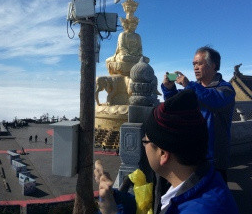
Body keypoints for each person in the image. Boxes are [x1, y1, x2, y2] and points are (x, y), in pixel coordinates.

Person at [95, 89, 237, 214]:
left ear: (163, 154)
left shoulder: (202, 209)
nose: (144, 147)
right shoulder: (192, 182)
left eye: (145, 141)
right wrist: (113, 197)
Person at [161, 46, 235, 180]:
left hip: (214, 156)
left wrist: (189, 85)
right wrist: (169, 88)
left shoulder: (225, 89)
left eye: (200, 63)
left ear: (213, 65)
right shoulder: (194, 88)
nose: (195, 67)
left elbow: (213, 100)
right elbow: (175, 104)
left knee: (216, 196)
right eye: (194, 64)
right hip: (194, 152)